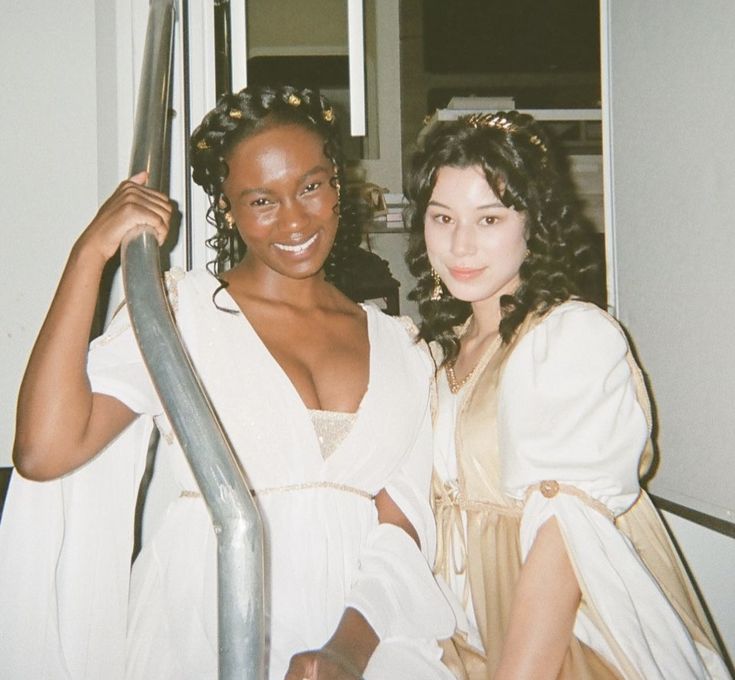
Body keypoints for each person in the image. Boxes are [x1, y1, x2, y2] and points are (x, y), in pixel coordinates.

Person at [0, 85, 455, 680]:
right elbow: (43, 451)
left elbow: (404, 528)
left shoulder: (404, 347)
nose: (294, 219)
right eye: (262, 199)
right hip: (202, 627)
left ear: (337, 184)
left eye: (311, 186)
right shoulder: (178, 314)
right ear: (228, 207)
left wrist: (346, 651)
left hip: (364, 640)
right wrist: (90, 256)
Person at [404, 112, 731, 680]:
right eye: (442, 217)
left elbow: (561, 542)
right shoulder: (436, 354)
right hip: (462, 638)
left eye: (489, 218)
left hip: (559, 637)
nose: (460, 243)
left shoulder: (567, 338)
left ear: (533, 225)